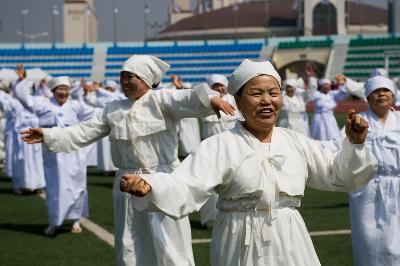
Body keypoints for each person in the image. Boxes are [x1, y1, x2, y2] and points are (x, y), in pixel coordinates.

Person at [119, 59, 377, 266]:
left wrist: (354, 144)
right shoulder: (220, 145)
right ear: (238, 101)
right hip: (238, 239)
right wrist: (151, 186)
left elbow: (337, 174)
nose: (267, 100)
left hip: (290, 237)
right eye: (256, 93)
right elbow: (186, 184)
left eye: (273, 93)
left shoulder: (296, 141)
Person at [20, 55, 235, 266]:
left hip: (164, 180)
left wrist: (211, 98)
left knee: (171, 243)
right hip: (126, 183)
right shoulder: (113, 109)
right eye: (122, 76)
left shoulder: (162, 100)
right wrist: (49, 135)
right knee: (130, 243)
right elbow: (84, 131)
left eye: (130, 76)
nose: (124, 81)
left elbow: (188, 98)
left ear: (145, 78)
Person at [322, 75, 400, 266]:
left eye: (385, 90)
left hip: (397, 187)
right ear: (367, 96)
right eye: (375, 91)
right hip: (367, 190)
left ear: (393, 95)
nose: (381, 94)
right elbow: (334, 146)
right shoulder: (358, 121)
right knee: (368, 241)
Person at [14, 65, 96, 236]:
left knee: (77, 185)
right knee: (54, 187)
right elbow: (26, 100)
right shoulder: (43, 103)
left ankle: (75, 220)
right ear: (53, 90)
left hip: (74, 153)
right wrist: (22, 80)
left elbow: (95, 116)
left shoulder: (76, 105)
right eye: (60, 89)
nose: (63, 93)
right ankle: (54, 222)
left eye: (66, 89)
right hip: (52, 153)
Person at [199, 74, 241, 229]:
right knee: (210, 184)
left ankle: (234, 216)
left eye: (221, 85)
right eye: (215, 86)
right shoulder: (206, 102)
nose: (220, 88)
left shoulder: (234, 100)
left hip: (233, 148)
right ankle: (211, 219)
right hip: (211, 149)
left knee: (234, 181)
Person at [0, 82, 45, 195]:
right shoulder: (14, 102)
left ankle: (37, 185)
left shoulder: (37, 101)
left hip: (34, 135)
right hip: (20, 136)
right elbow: (4, 103)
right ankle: (19, 185)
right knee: (20, 160)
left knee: (36, 160)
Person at [308, 72, 349, 140]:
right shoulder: (316, 94)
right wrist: (311, 78)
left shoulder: (333, 94)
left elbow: (344, 94)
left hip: (330, 118)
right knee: (317, 137)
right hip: (318, 118)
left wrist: (341, 83)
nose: (326, 87)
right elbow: (310, 92)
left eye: (328, 85)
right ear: (321, 86)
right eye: (324, 85)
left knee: (332, 136)